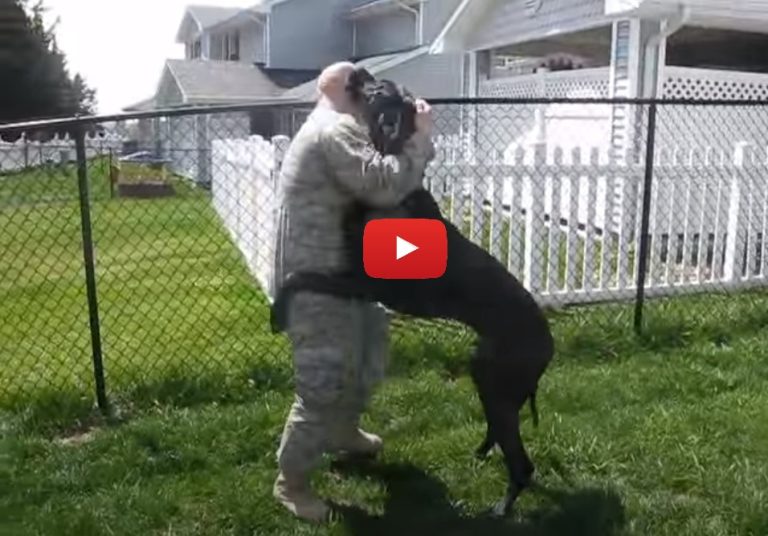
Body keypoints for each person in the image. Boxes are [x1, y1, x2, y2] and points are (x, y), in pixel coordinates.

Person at [271, 61, 436, 522]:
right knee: (321, 385)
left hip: (346, 273)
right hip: (317, 282)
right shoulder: (334, 130)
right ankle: (292, 483)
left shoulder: (338, 129)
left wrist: (405, 138)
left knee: (368, 352)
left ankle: (344, 431)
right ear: (350, 89)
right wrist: (420, 136)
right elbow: (385, 186)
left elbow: (381, 176)